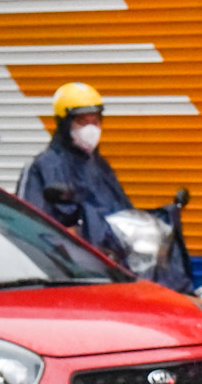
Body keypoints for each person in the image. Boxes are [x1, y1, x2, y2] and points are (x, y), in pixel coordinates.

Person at [16, 81, 132, 260]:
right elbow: (28, 225)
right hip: (67, 267)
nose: (91, 129)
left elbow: (123, 211)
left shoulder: (100, 167)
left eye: (95, 121)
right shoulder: (42, 167)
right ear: (64, 124)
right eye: (83, 121)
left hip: (111, 265)